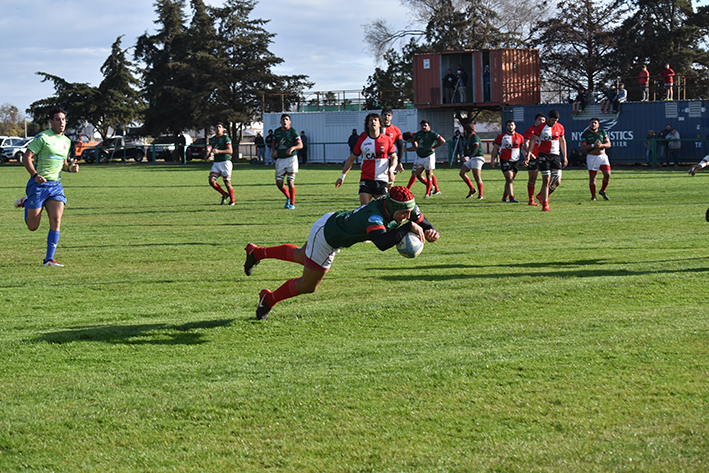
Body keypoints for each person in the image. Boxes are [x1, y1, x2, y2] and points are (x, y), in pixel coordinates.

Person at [243, 186, 440, 319]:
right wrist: (407, 228)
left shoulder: (405, 207)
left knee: (300, 256)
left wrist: (430, 230)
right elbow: (381, 242)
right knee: (308, 285)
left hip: (332, 223)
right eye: (403, 215)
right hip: (328, 237)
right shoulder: (373, 215)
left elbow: (421, 220)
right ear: (392, 207)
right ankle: (267, 299)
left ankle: (256, 252)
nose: (407, 217)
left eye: (409, 213)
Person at [13, 107, 79, 267]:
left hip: (55, 186)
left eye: (63, 119)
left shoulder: (67, 141)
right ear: (51, 122)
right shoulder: (42, 137)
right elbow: (26, 158)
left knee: (56, 220)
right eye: (58, 119)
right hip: (38, 186)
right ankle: (27, 201)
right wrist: (35, 176)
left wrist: (70, 169)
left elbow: (63, 164)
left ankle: (49, 259)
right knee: (32, 226)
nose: (61, 122)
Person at [335, 113, 397, 205]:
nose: (373, 122)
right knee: (364, 209)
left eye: (375, 120)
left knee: (382, 209)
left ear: (380, 124)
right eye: (371, 120)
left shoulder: (387, 140)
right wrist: (342, 177)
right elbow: (351, 159)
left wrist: (391, 170)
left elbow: (394, 157)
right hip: (366, 179)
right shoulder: (362, 140)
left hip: (382, 180)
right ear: (367, 124)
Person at [525, 109, 567, 212]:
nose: (554, 123)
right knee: (546, 179)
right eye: (553, 120)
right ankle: (545, 205)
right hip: (544, 155)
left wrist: (565, 156)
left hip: (555, 156)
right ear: (548, 118)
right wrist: (529, 154)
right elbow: (533, 140)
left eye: (556, 120)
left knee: (557, 181)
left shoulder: (560, 127)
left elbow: (562, 141)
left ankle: (541, 195)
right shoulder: (541, 127)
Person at [406, 120, 445, 198]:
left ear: (429, 126)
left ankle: (427, 193)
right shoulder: (418, 134)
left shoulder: (432, 134)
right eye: (422, 126)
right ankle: (432, 187)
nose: (423, 127)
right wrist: (415, 146)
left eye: (425, 125)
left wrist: (434, 147)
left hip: (428, 156)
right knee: (418, 175)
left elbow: (442, 140)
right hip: (419, 156)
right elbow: (413, 139)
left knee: (429, 174)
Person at [271, 114, 303, 209]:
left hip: (291, 159)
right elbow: (273, 143)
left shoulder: (293, 132)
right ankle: (288, 197)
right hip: (280, 159)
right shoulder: (277, 132)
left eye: (287, 119)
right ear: (280, 121)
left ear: (290, 122)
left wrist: (293, 148)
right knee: (279, 183)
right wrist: (274, 151)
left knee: (290, 181)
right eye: (283, 119)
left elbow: (300, 145)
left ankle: (292, 204)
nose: (285, 121)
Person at [491, 119, 525, 202]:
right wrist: (492, 159)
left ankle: (504, 196)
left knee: (510, 179)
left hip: (515, 160)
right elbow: (495, 148)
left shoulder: (520, 137)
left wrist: (526, 158)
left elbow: (523, 149)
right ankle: (511, 197)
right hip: (505, 160)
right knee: (509, 178)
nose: (510, 127)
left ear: (515, 126)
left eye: (512, 125)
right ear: (506, 127)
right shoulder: (501, 137)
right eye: (509, 125)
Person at [580, 118, 612, 201]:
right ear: (589, 124)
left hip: (602, 156)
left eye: (595, 123)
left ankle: (602, 191)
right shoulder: (585, 134)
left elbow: (608, 144)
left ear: (598, 125)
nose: (593, 124)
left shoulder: (602, 132)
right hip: (592, 157)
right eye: (592, 123)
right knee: (593, 177)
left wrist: (601, 146)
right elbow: (583, 147)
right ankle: (593, 196)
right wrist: (593, 145)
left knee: (607, 174)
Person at [206, 122, 235, 205]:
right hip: (216, 163)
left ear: (223, 129)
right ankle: (224, 194)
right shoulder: (213, 139)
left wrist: (218, 151)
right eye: (216, 127)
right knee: (211, 181)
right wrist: (208, 155)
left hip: (225, 162)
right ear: (214, 129)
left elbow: (230, 151)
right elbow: (212, 149)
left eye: (220, 127)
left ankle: (232, 200)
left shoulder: (226, 138)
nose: (218, 128)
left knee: (227, 182)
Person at [522, 112, 546, 206]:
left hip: (544, 156)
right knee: (532, 179)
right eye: (539, 120)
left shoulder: (546, 130)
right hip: (534, 157)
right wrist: (529, 153)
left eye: (543, 120)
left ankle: (540, 195)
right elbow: (526, 143)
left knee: (551, 177)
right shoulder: (530, 131)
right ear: (535, 121)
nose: (541, 122)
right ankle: (531, 200)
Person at [459, 124, 485, 199]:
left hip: (477, 157)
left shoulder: (474, 137)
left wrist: (469, 157)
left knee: (477, 177)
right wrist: (466, 156)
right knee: (462, 173)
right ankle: (472, 189)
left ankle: (481, 195)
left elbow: (476, 148)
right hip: (471, 158)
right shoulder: (469, 138)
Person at [380, 107, 405, 177]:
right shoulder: (376, 129)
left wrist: (399, 162)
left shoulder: (396, 130)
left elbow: (400, 146)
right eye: (385, 115)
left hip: (391, 158)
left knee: (391, 179)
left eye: (388, 115)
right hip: (378, 159)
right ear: (381, 116)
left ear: (391, 117)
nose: (386, 117)